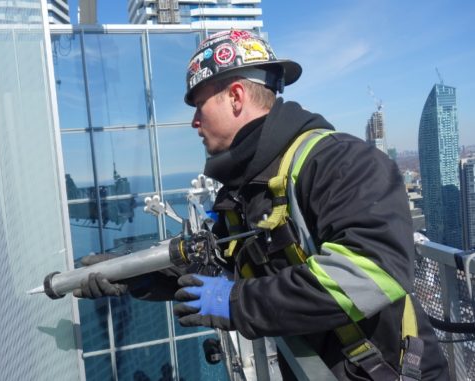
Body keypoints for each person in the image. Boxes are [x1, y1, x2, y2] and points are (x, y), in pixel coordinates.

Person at [73, 29, 449, 380]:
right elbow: (216, 267)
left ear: (235, 97)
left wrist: (238, 302)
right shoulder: (246, 189)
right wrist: (135, 275)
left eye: (199, 106)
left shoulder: (339, 162)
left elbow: (372, 271)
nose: (193, 122)